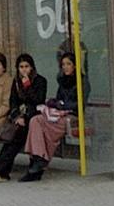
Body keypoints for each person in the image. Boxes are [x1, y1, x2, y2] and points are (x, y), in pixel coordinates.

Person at [21, 52, 89, 182]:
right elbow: (58, 99)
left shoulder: (82, 81)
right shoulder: (62, 80)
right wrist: (54, 103)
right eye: (63, 64)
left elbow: (80, 103)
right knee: (35, 120)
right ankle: (39, 158)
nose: (65, 67)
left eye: (68, 64)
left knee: (44, 127)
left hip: (72, 115)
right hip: (58, 114)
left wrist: (62, 105)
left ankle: (38, 162)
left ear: (75, 65)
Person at [0, 53, 47, 183]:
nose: (24, 69)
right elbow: (13, 102)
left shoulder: (40, 81)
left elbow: (38, 100)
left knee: (16, 136)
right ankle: (0, 170)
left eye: (26, 66)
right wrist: (16, 117)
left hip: (34, 118)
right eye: (21, 67)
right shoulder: (16, 82)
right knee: (13, 136)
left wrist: (27, 86)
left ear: (31, 67)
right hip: (20, 118)